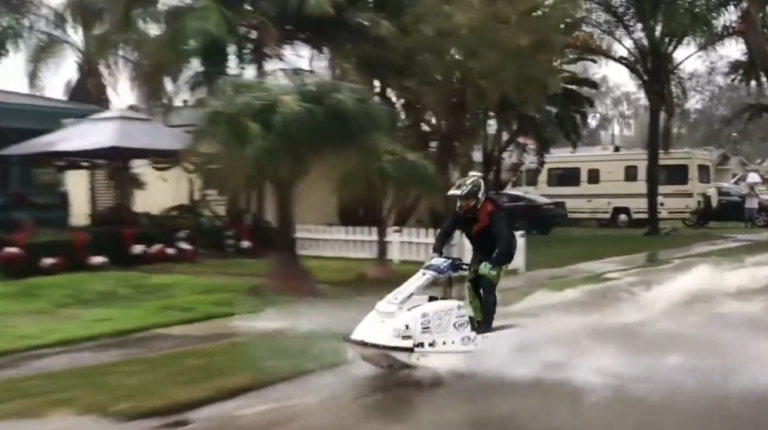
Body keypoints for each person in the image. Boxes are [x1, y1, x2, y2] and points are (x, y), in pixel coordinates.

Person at [431, 173, 515, 334]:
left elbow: (504, 239)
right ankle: (478, 321)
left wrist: (494, 262)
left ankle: (486, 326)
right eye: (461, 199)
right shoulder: (460, 213)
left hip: (502, 250)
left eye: (467, 199)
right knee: (472, 284)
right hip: (480, 250)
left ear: (478, 197)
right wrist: (437, 251)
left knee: (486, 282)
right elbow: (445, 232)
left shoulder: (492, 211)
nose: (463, 203)